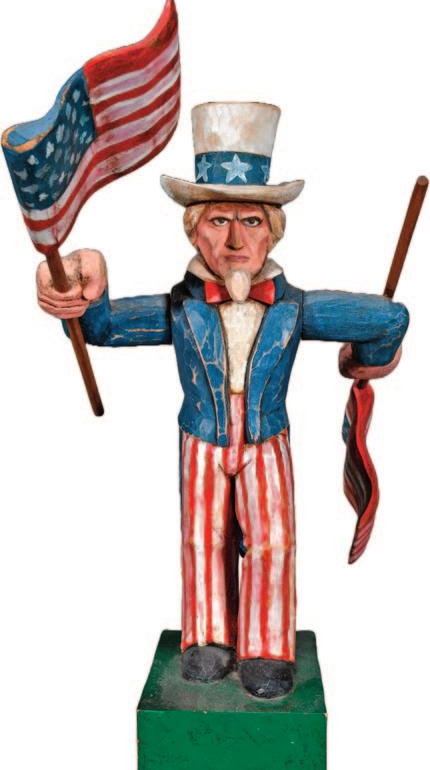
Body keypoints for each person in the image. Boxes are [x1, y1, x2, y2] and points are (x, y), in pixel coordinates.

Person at [36, 102, 409, 698]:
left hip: (266, 438)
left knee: (272, 540)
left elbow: (389, 318)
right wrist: (83, 278)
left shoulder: (295, 306)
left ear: (274, 231)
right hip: (201, 437)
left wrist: (363, 361)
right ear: (194, 230)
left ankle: (265, 647)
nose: (235, 240)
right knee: (202, 537)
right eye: (218, 221)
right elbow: (101, 327)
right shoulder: (179, 306)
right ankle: (208, 637)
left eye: (251, 221)